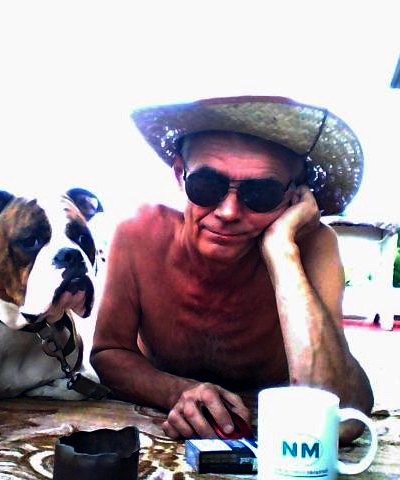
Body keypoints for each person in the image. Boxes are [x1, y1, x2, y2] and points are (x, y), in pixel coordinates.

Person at [90, 96, 374, 443]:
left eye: (261, 193)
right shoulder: (139, 233)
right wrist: (177, 391)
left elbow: (340, 417)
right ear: (180, 175)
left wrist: (281, 250)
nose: (228, 212)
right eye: (207, 186)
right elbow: (109, 353)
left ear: (294, 197)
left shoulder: (311, 246)